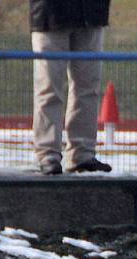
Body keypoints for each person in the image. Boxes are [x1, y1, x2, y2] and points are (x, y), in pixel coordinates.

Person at [30, 0, 113, 175]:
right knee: (49, 88)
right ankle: (48, 154)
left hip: (91, 15)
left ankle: (82, 154)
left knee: (88, 88)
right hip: (50, 14)